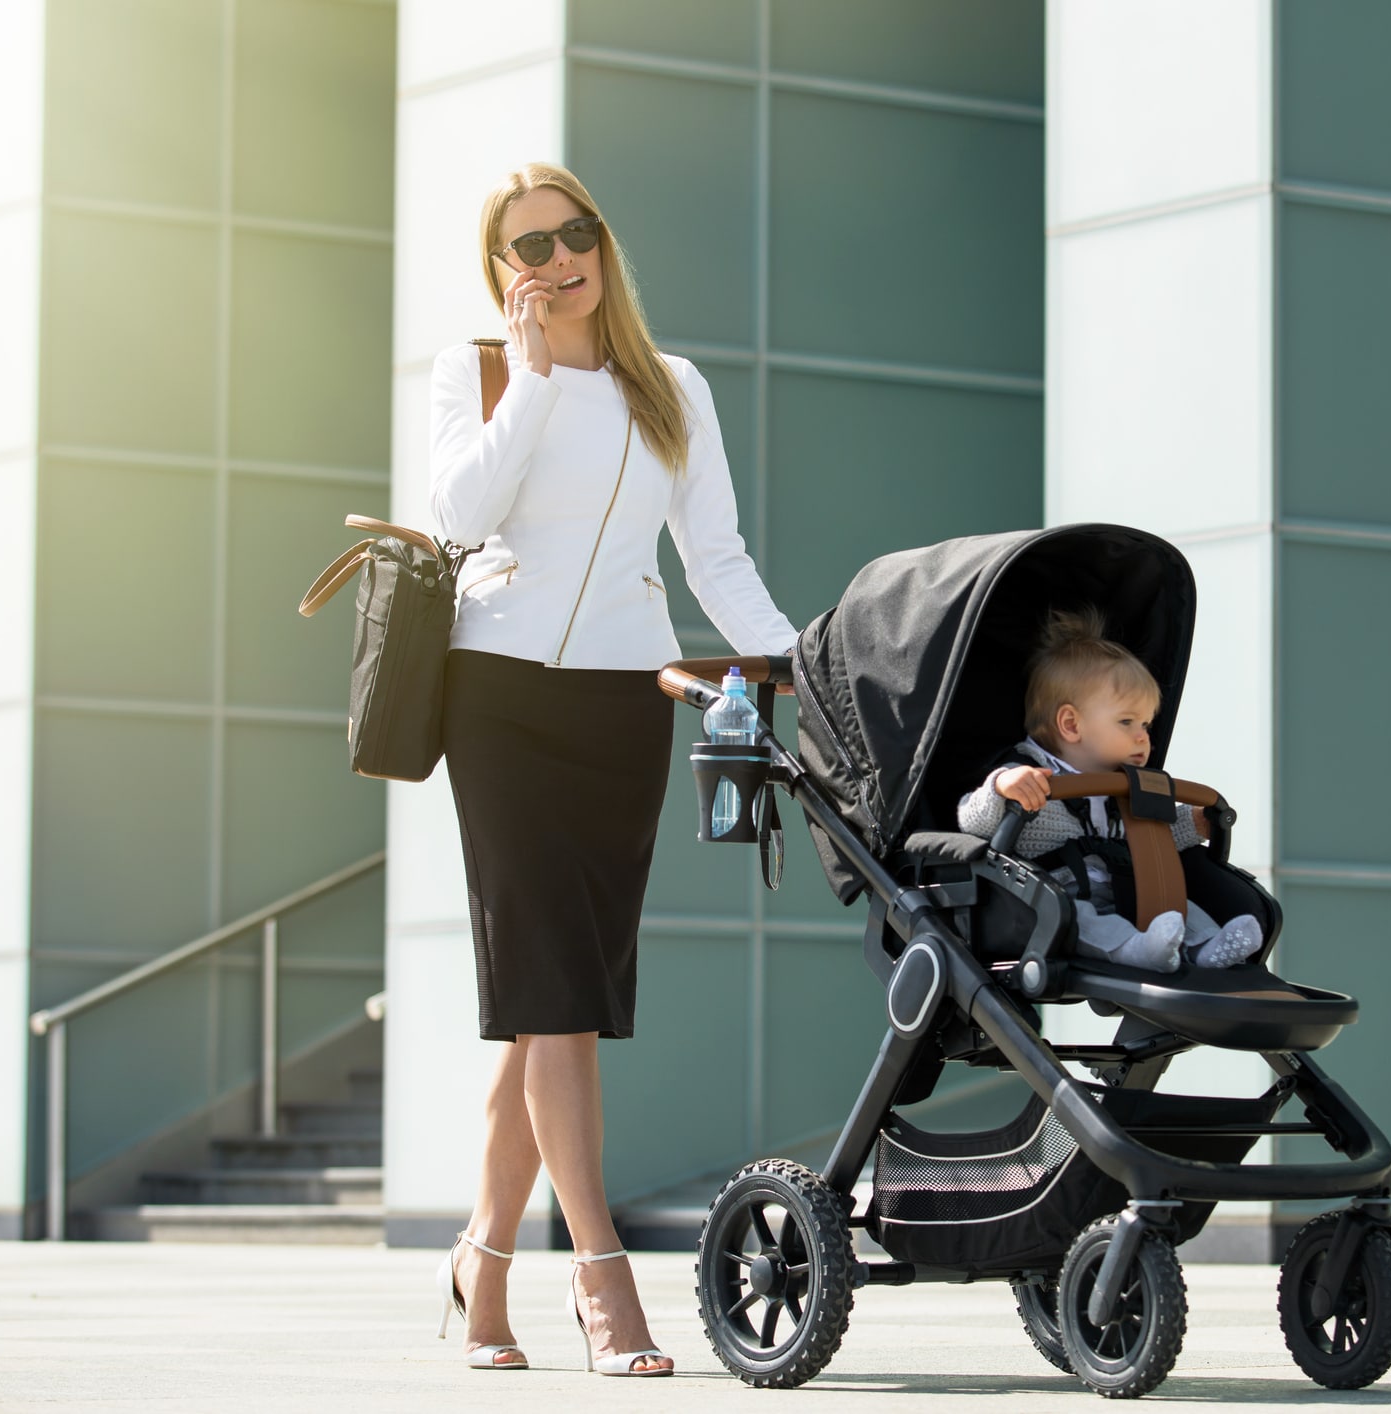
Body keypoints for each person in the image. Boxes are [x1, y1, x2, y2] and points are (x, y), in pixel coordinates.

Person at [427, 162, 797, 1375]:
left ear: (604, 243)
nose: (557, 258)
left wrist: (812, 669)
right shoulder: (480, 372)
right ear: (502, 275)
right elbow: (461, 517)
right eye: (528, 247)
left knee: (553, 1007)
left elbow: (718, 557)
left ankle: (477, 1272)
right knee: (561, 1006)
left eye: (574, 234)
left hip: (623, 708)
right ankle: (602, 1280)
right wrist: (528, 382)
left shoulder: (671, 386)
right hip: (501, 700)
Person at [955, 609, 1263, 974]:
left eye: (1146, 724)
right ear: (1071, 724)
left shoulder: (1124, 786)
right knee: (1080, 918)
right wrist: (1001, 787)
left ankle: (1205, 946)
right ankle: (1137, 951)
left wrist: (1193, 823)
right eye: (1127, 721)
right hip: (1055, 896)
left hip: (1126, 888)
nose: (1143, 736)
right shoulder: (1029, 772)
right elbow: (972, 819)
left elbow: (1151, 835)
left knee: (1173, 903)